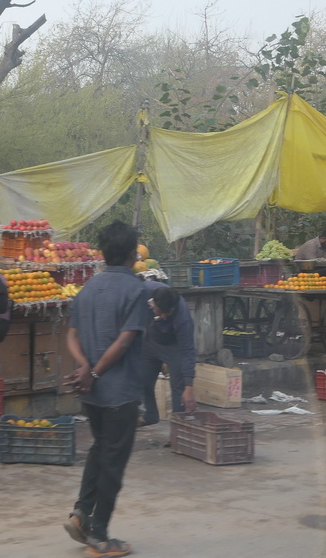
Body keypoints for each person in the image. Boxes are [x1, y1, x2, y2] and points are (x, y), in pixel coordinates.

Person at [62, 220, 148, 558]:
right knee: (114, 462)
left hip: (92, 394)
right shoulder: (136, 290)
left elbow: (71, 335)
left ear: (102, 253)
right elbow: (124, 341)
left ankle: (81, 514)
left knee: (100, 449)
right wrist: (94, 372)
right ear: (132, 254)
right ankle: (99, 537)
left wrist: (85, 367)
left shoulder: (88, 288)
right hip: (119, 392)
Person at [138, 286, 196, 426]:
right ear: (152, 304)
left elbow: (188, 352)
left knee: (178, 387)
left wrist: (189, 387)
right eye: (160, 313)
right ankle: (150, 414)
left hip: (173, 347)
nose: (163, 317)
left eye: (167, 314)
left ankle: (178, 425)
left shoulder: (183, 319)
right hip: (150, 342)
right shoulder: (142, 292)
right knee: (143, 379)